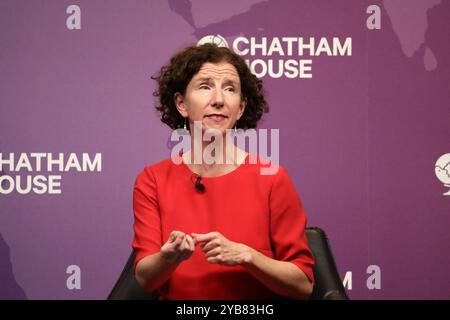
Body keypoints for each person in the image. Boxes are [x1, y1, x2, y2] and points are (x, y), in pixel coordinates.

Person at [132, 43, 315, 300]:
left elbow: (303, 284)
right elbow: (145, 279)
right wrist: (168, 258)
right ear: (181, 104)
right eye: (205, 86)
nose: (218, 99)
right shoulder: (152, 180)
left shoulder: (272, 178)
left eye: (230, 89)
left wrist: (248, 256)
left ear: (239, 108)